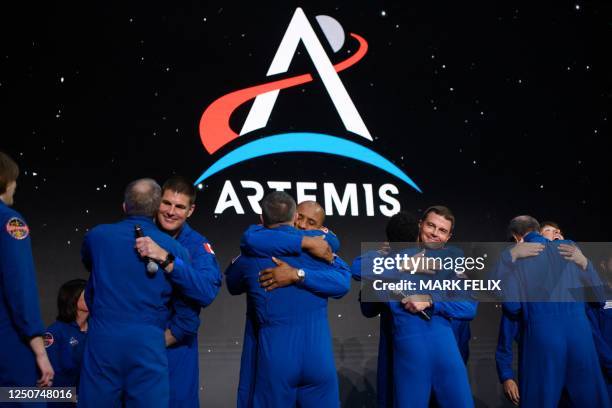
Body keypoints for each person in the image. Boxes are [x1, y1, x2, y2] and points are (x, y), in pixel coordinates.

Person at [78, 178, 198, 407]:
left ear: (124, 206)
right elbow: (188, 295)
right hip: (148, 343)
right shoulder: (174, 249)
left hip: (103, 339)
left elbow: (89, 264)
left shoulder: (97, 237)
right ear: (157, 209)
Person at [225, 191, 351, 407]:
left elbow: (232, 283)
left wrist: (297, 274)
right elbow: (343, 281)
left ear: (262, 219)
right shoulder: (322, 251)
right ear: (293, 216)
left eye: (310, 222)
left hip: (277, 359)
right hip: (319, 359)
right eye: (300, 218)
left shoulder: (253, 251)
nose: (302, 225)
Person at [498, 215, 609, 407]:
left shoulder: (521, 261)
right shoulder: (570, 253)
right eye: (549, 231)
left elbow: (512, 306)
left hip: (546, 347)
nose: (556, 234)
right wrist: (584, 263)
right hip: (578, 347)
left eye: (558, 232)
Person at [134, 176, 221, 408]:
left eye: (180, 206)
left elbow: (206, 292)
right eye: (166, 203)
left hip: (176, 346)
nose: (171, 212)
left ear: (190, 210)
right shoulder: (136, 232)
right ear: (156, 202)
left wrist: (169, 260)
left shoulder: (197, 246)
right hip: (136, 344)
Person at [350, 211, 419, 408]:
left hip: (397, 348)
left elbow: (357, 271)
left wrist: (383, 257)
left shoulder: (381, 267)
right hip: (414, 347)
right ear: (417, 237)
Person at [0, 151, 54, 396]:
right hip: (9, 343)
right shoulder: (10, 221)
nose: (15, 186)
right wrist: (39, 349)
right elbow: (20, 286)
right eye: (14, 179)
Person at [45, 279, 88, 407]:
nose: (94, 297)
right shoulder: (55, 333)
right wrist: (72, 397)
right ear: (73, 299)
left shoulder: (98, 331)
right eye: (88, 294)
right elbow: (47, 380)